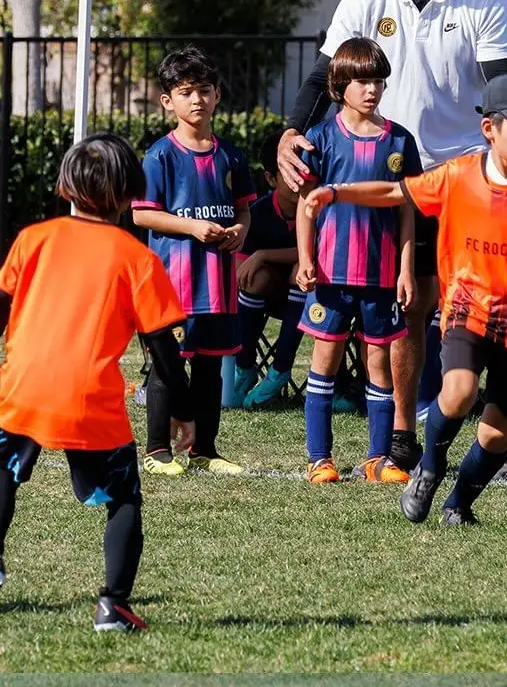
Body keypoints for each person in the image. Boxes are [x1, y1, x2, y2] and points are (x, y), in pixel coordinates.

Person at [278, 0, 507, 474]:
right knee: (409, 306)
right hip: (388, 169)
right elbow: (321, 77)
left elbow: (504, 90)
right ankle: (406, 433)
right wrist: (288, 133)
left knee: (480, 303)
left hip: (465, 171)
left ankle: (498, 425)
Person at [303, 74, 507, 524]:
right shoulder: (458, 176)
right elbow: (395, 192)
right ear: (490, 129)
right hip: (466, 309)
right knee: (458, 391)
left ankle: (460, 503)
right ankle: (430, 468)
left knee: (498, 432)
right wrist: (336, 192)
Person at [0, 134, 195, 631]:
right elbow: (163, 350)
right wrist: (184, 409)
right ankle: (114, 606)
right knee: (124, 498)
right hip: (87, 398)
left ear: (66, 183)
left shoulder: (32, 239)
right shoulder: (136, 259)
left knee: (3, 472)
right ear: (130, 192)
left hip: (20, 386)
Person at [294, 38, 422, 485]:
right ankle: (319, 458)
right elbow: (306, 203)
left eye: (378, 80)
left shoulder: (400, 140)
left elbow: (406, 208)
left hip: (382, 274)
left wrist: (406, 268)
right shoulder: (320, 138)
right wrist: (305, 256)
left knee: (378, 363)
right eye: (363, 81)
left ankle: (377, 459)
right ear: (339, 84)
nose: (372, 90)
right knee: (324, 358)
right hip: (331, 274)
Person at [132, 46, 255, 477]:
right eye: (186, 92)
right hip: (174, 285)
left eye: (204, 90)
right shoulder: (159, 156)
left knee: (210, 368)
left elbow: (244, 208)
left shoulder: (232, 156)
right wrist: (191, 228)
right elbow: (142, 213)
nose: (197, 99)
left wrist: (240, 230)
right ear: (168, 101)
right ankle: (156, 450)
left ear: (218, 95)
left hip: (219, 283)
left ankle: (205, 449)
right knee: (168, 367)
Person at [231, 129, 306, 408]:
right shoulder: (258, 213)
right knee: (253, 277)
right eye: (290, 172)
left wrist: (264, 254)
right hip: (268, 297)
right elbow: (241, 273)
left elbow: (319, 254)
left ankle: (280, 371)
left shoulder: (319, 209)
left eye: (305, 170)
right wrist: (259, 259)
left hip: (314, 298)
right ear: (271, 178)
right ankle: (245, 368)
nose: (300, 180)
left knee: (301, 267)